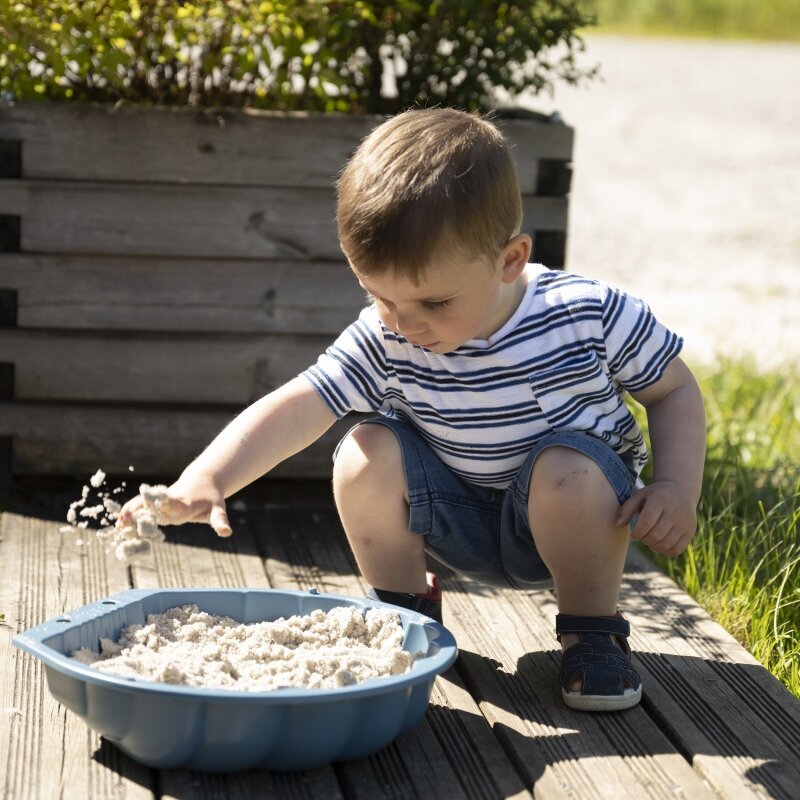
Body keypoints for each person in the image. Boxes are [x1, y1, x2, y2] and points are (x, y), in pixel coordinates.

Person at [119, 108, 706, 712]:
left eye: (433, 301)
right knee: (363, 452)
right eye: (379, 296)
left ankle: (592, 630)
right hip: (455, 519)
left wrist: (677, 487)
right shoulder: (390, 333)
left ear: (509, 259)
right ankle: (404, 610)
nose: (405, 323)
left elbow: (675, 391)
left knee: (570, 469)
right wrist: (207, 479)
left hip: (573, 519)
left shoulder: (586, 315)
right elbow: (303, 403)